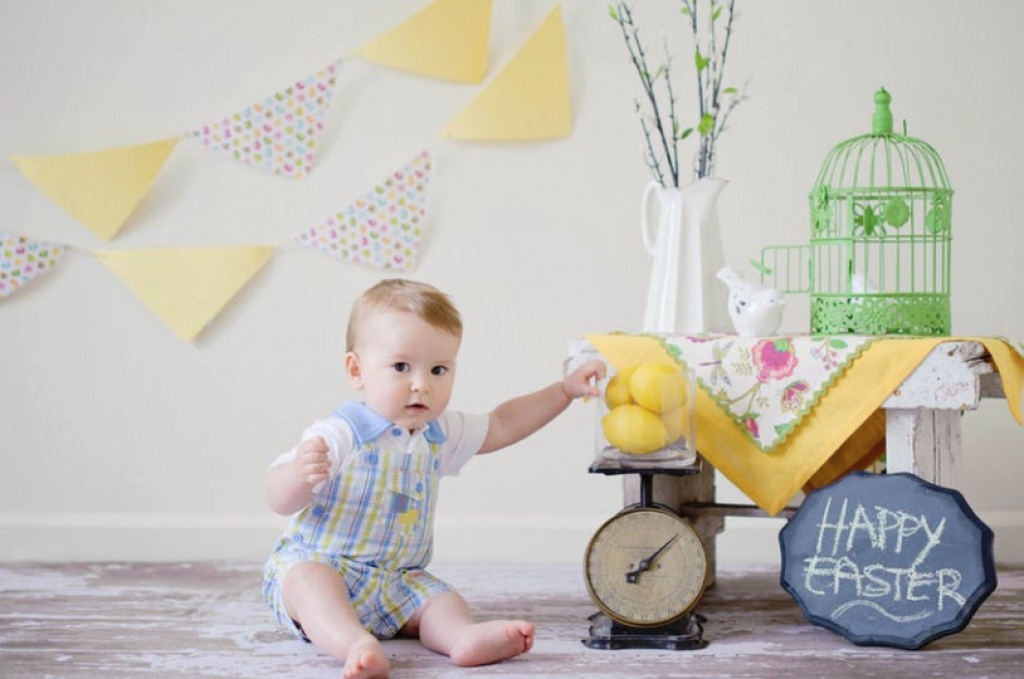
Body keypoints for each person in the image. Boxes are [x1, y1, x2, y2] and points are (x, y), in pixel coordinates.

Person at [263, 278, 605, 679]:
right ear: (357, 370)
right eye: (401, 367)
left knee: (439, 599)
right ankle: (354, 643)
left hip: (397, 580)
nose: (421, 383)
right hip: (327, 565)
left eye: (438, 369)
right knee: (309, 582)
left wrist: (564, 390)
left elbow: (504, 423)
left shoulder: (438, 433)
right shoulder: (341, 434)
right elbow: (278, 498)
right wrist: (301, 476)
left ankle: (461, 638)